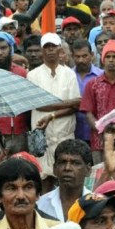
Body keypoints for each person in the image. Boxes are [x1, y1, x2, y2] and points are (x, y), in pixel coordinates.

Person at [28, 33, 82, 175]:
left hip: (65, 135)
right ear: (42, 50)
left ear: (60, 49)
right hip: (42, 138)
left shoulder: (69, 74)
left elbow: (76, 106)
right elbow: (38, 105)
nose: (50, 49)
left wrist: (51, 115)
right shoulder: (32, 75)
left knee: (66, 175)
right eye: (47, 47)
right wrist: (67, 103)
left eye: (53, 46)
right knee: (43, 177)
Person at [37, 140, 93, 221]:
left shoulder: (95, 205)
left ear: (88, 170)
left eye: (75, 163)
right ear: (54, 169)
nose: (67, 168)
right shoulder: (41, 205)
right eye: (62, 162)